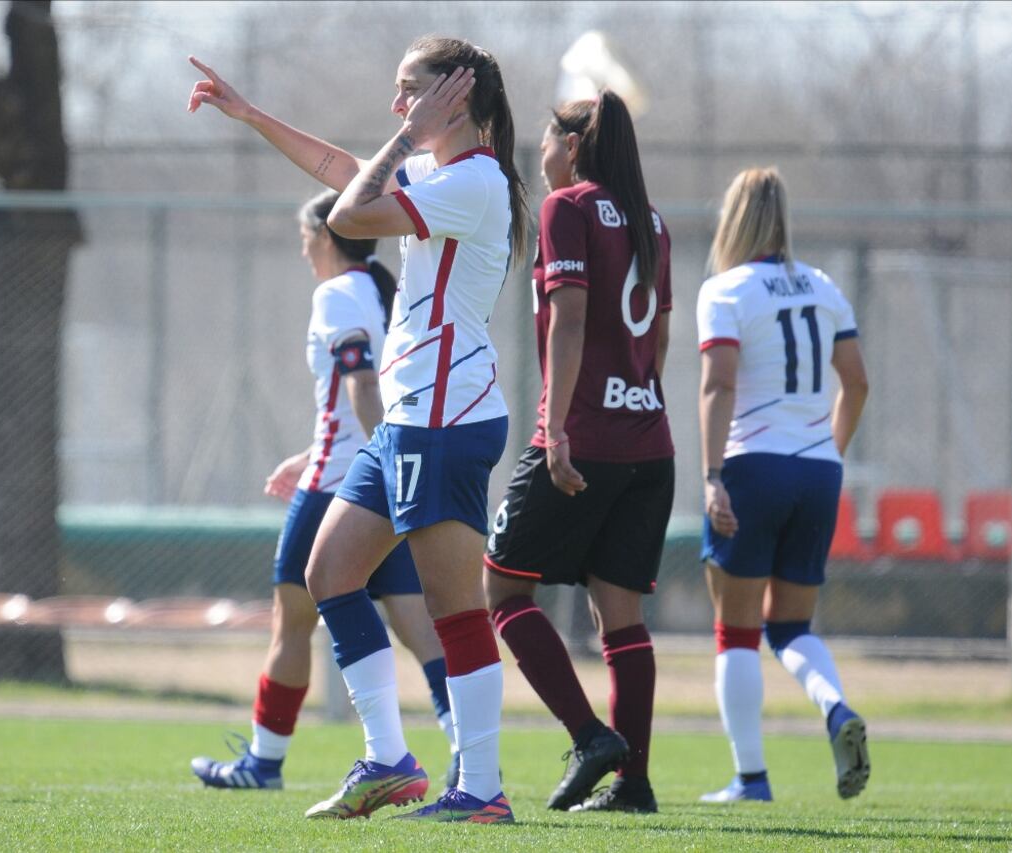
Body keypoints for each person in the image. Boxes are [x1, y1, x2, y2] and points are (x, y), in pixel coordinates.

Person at [186, 34, 527, 823]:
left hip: (444, 416)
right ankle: (389, 760)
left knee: (454, 610)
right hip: (411, 417)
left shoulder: (473, 181)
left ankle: (481, 789)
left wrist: (407, 137)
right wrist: (250, 115)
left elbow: (348, 213)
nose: (396, 103)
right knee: (329, 572)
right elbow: (341, 170)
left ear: (454, 98)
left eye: (411, 88)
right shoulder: (444, 174)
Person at [189, 189, 459, 791]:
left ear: (327, 235)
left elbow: (361, 384)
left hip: (342, 485)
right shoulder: (383, 291)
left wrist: (376, 464)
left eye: (305, 237)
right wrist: (336, 456)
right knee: (418, 626)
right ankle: (466, 749)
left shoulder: (337, 293)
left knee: (292, 622)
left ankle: (264, 762)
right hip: (375, 476)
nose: (303, 250)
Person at [483, 91, 673, 814]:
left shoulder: (567, 206)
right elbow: (659, 335)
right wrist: (635, 398)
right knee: (620, 616)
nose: (539, 151)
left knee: (503, 591)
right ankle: (634, 783)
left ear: (571, 145)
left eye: (545, 139)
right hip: (649, 440)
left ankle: (591, 736)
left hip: (582, 436)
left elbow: (569, 318)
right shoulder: (652, 219)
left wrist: (556, 428)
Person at [696, 167, 871, 803]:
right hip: (818, 470)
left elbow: (718, 385)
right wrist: (828, 452)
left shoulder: (725, 290)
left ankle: (751, 779)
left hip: (753, 467)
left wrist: (712, 477)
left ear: (734, 219)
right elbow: (857, 383)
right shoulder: (824, 286)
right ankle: (835, 707)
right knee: (792, 627)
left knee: (736, 630)